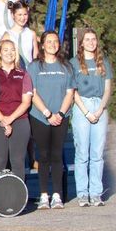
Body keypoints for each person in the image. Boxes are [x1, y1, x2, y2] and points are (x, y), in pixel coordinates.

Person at [27, 31, 75, 209]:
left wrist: (60, 114)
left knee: (56, 156)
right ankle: (43, 195)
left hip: (61, 117)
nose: (53, 44)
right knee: (43, 156)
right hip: (40, 117)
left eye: (55, 41)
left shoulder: (67, 67)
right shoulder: (34, 67)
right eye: (49, 41)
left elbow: (70, 93)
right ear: (42, 44)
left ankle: (56, 195)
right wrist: (47, 113)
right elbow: (32, 93)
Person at [71, 27, 113, 206]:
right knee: (82, 153)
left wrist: (100, 109)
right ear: (81, 43)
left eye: (93, 39)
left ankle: (96, 192)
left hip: (99, 106)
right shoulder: (74, 63)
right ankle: (82, 193)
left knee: (97, 153)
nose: (91, 42)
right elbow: (72, 91)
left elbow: (108, 88)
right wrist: (87, 112)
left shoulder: (103, 62)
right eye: (87, 39)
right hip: (82, 106)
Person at [0, 38, 32, 182]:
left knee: (17, 161)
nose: (10, 53)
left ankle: (18, 199)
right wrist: (3, 120)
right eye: (6, 50)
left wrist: (10, 119)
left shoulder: (24, 74)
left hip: (19, 121)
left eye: (13, 50)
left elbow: (26, 102)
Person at [0, 0, 38, 66]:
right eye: (19, 15)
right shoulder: (7, 35)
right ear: (13, 15)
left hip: (30, 72)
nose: (22, 18)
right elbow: (0, 57)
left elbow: (35, 56)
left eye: (25, 14)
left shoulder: (31, 34)